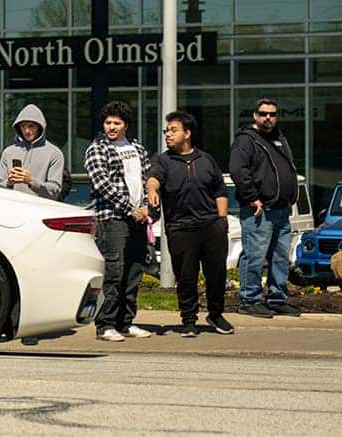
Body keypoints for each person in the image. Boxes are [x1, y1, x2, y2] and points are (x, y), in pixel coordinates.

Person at [146, 110, 234, 337]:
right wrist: (152, 190)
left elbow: (220, 190)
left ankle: (216, 314)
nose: (168, 134)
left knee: (216, 274)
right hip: (180, 228)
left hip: (211, 227)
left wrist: (222, 220)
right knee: (186, 277)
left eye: (173, 130)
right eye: (166, 131)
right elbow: (154, 178)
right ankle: (188, 320)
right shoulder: (163, 160)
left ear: (187, 133)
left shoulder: (206, 160)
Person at [84, 100, 152, 342]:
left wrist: (145, 206)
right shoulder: (97, 149)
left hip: (139, 219)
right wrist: (129, 208)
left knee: (134, 270)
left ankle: (126, 322)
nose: (111, 127)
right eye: (108, 122)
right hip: (111, 218)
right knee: (114, 271)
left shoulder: (138, 149)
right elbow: (102, 184)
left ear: (126, 125)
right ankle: (105, 324)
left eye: (117, 123)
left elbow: (147, 180)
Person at [229, 97, 301, 318]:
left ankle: (277, 299)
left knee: (280, 257)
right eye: (263, 114)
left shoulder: (279, 138)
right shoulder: (246, 140)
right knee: (254, 256)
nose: (268, 118)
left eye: (272, 114)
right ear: (255, 115)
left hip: (281, 210)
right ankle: (249, 300)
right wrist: (252, 198)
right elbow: (238, 170)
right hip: (259, 210)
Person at [0, 103, 65, 200]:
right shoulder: (8, 152)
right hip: (12, 208)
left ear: (40, 127)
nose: (27, 130)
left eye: (31, 126)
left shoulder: (54, 153)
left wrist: (31, 181)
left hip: (42, 210)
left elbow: (55, 190)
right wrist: (8, 183)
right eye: (23, 126)